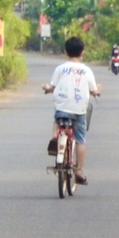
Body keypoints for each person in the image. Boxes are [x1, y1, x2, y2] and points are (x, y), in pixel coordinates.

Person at [43, 34, 101, 184]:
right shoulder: (87, 71)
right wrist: (98, 90)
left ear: (65, 52)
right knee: (81, 139)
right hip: (79, 110)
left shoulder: (60, 69)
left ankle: (55, 139)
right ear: (82, 52)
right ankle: (79, 171)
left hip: (62, 109)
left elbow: (52, 87)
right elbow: (94, 90)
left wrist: (47, 88)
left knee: (57, 121)